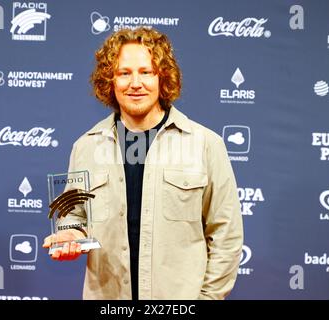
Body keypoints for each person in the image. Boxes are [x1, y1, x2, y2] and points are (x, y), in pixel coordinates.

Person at [43, 27, 243, 300]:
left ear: (163, 77)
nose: (135, 83)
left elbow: (226, 235)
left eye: (146, 72)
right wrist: (69, 235)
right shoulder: (86, 147)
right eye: (124, 73)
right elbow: (74, 215)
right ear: (109, 80)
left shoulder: (205, 144)